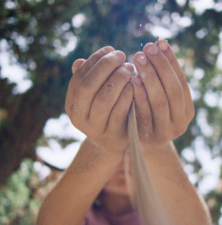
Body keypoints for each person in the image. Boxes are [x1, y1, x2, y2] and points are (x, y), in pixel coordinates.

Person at [36, 40, 212, 225]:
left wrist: (156, 147)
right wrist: (101, 147)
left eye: (133, 148)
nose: (127, 158)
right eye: (124, 147)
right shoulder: (79, 213)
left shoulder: (162, 219)